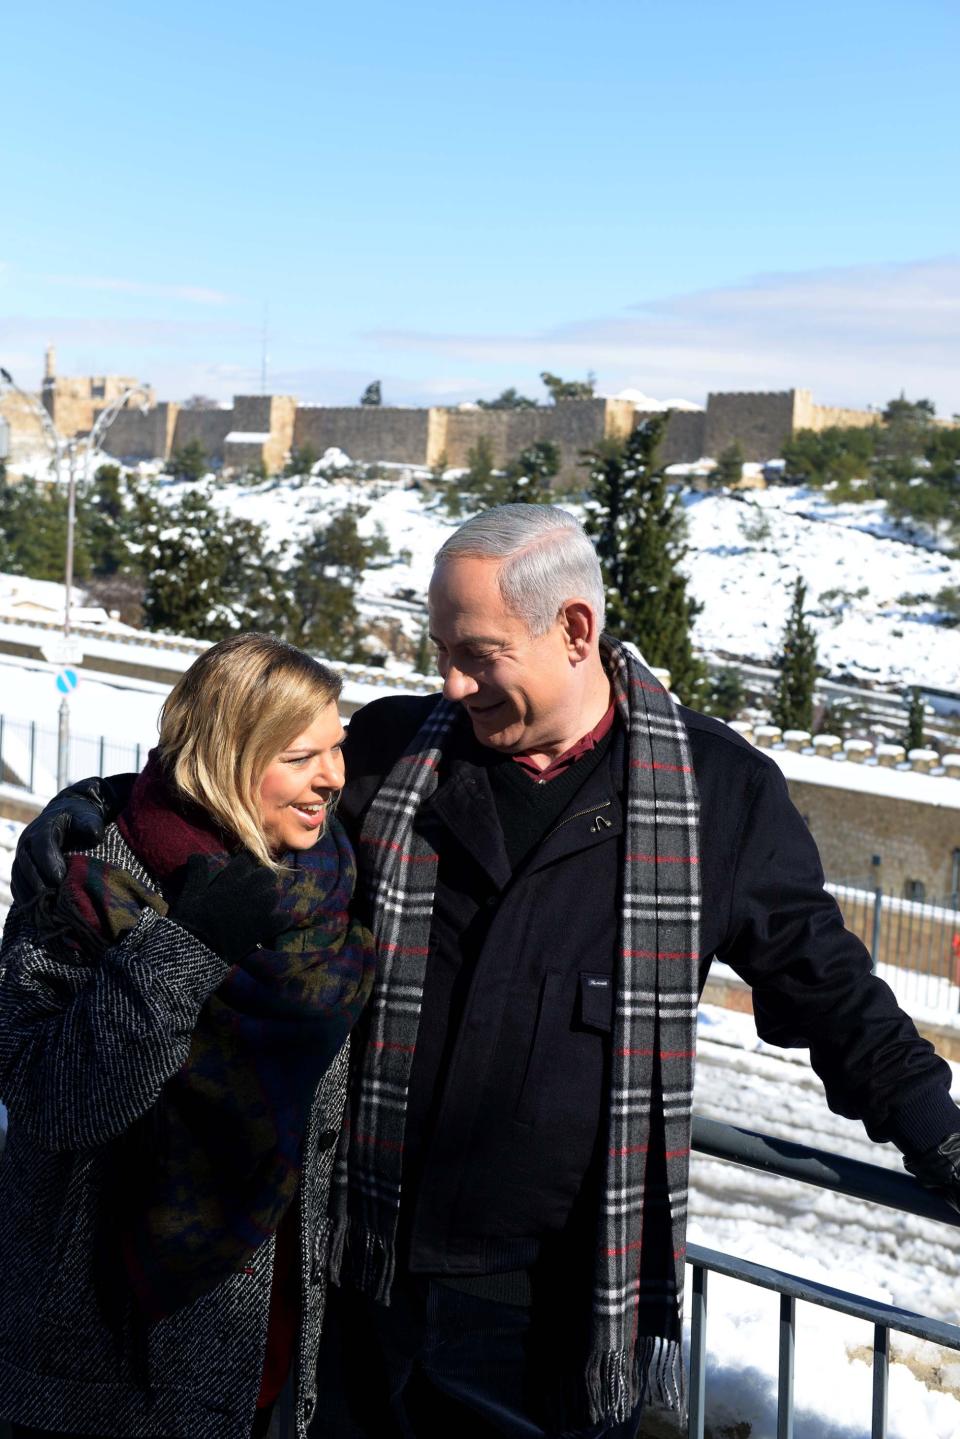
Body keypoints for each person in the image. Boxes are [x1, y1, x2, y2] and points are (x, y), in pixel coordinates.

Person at [14, 507, 960, 1439]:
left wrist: (939, 1133)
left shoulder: (718, 794)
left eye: (478, 653)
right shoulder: (395, 752)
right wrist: (102, 815)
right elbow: (233, 782)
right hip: (352, 1278)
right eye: (442, 648)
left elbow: (827, 988)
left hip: (543, 1315)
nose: (452, 681)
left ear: (575, 630)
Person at [0, 633, 375, 1439]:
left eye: (337, 749)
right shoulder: (85, 881)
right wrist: (185, 948)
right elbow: (50, 1103)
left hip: (266, 1334)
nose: (333, 778)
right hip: (97, 1357)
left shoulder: (324, 883)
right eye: (303, 755)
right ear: (229, 755)